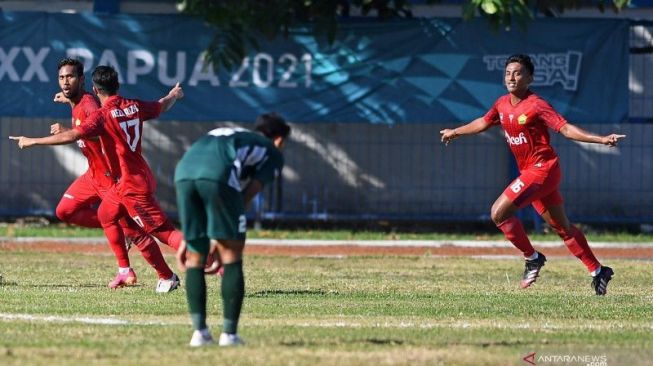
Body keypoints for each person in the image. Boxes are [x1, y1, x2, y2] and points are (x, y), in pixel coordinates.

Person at [440, 54, 625, 296]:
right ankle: (598, 271)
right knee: (562, 227)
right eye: (508, 73)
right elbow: (483, 123)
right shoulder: (502, 104)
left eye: (517, 73)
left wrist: (601, 139)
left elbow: (566, 128)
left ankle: (532, 258)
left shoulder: (537, 105)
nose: (511, 77)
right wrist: (456, 132)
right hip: (531, 172)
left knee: (498, 212)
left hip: (543, 170)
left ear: (530, 78)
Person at [9, 65, 185, 292]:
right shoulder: (83, 102)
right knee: (65, 211)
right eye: (61, 77)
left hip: (108, 176)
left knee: (138, 230)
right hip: (92, 174)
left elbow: (95, 130)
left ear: (83, 81)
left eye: (70, 77)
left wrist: (35, 140)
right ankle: (131, 258)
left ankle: (152, 272)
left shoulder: (92, 106)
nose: (65, 81)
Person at [174, 113, 290, 347]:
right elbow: (248, 194)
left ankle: (200, 334)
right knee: (231, 254)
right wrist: (223, 237)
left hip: (183, 173)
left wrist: (192, 235)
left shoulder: (234, 134)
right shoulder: (272, 151)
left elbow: (202, 170)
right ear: (278, 139)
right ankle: (229, 335)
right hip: (216, 176)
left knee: (196, 257)